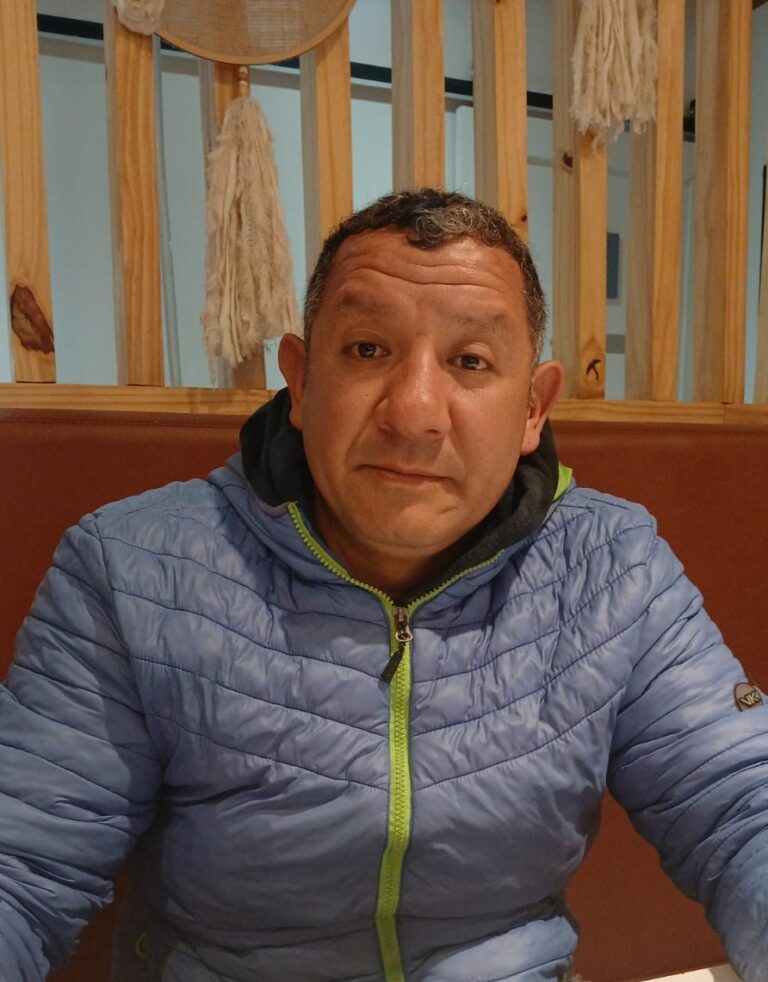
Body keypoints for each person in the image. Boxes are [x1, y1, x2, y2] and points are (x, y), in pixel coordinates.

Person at [1, 188, 767, 982]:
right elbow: (19, 862)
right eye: (367, 349)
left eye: (471, 362)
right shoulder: (131, 570)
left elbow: (742, 804)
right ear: (301, 382)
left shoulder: (611, 566)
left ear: (533, 408)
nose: (414, 413)